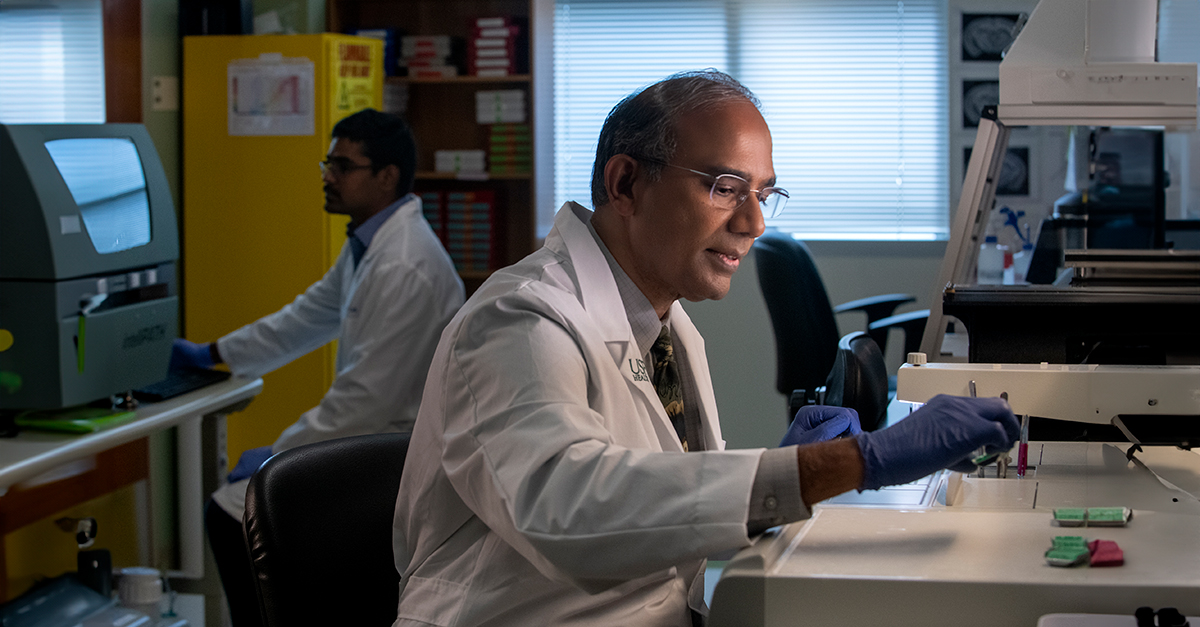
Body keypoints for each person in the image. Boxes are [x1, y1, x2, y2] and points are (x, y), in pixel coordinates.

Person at [391, 71, 1018, 627]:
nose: (754, 223)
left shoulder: (668, 323)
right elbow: (568, 511)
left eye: (763, 193)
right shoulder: (519, 320)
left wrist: (779, 478)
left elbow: (663, 514)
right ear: (627, 183)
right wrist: (847, 463)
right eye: (724, 187)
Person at [172, 109, 465, 626]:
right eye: (328, 162)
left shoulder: (404, 264)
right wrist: (215, 353)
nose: (328, 175)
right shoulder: (369, 245)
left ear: (386, 176)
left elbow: (365, 401)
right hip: (375, 436)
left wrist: (279, 455)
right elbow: (306, 317)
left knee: (231, 512)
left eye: (343, 166)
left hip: (394, 455)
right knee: (234, 507)